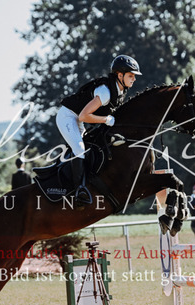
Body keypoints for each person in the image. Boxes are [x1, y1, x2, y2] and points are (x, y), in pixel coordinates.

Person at [56, 54, 142, 205]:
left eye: (134, 76)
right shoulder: (105, 92)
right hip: (67, 116)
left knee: (90, 148)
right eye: (131, 75)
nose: (134, 79)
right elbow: (84, 116)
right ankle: (79, 191)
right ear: (119, 75)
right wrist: (106, 120)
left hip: (77, 118)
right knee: (79, 149)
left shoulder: (120, 91)